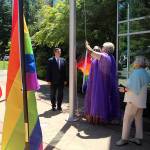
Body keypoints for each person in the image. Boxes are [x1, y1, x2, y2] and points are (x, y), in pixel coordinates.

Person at [116, 56, 150, 146]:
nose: (134, 62)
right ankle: (138, 138)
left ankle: (124, 139)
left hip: (133, 100)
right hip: (141, 100)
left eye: (135, 60)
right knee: (138, 119)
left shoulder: (136, 73)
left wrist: (120, 88)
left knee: (127, 119)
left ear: (138, 63)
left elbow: (129, 88)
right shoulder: (145, 72)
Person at [84, 41, 120, 124]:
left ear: (106, 49)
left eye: (103, 46)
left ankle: (101, 120)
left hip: (101, 86)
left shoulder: (105, 57)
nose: (102, 47)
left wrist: (87, 45)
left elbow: (91, 52)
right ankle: (104, 119)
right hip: (107, 84)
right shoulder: (111, 57)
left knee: (100, 101)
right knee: (107, 101)